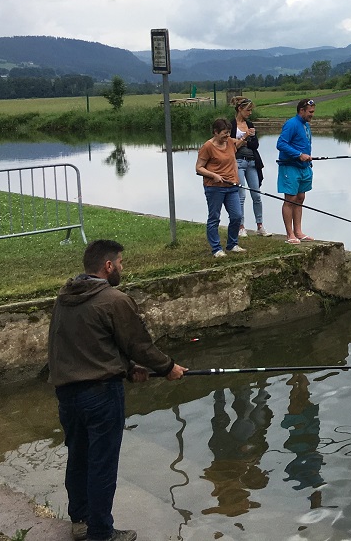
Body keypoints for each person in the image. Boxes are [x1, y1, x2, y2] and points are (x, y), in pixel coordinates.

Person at [48, 239, 187, 541]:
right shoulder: (114, 299)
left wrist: (126, 368)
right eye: (121, 262)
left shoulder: (64, 298)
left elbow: (81, 344)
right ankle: (101, 532)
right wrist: (168, 367)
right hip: (101, 395)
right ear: (108, 266)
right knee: (102, 463)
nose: (123, 267)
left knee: (78, 457)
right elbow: (139, 344)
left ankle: (80, 520)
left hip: (67, 394)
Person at [196, 117, 249, 258]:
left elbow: (235, 152)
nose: (227, 135)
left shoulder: (230, 142)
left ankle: (232, 244)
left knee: (237, 216)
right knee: (214, 217)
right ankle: (216, 248)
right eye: (224, 133)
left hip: (231, 186)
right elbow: (199, 168)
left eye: (229, 132)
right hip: (214, 187)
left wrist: (246, 136)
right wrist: (213, 175)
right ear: (215, 132)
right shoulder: (208, 147)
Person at [277, 98, 316, 244]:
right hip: (290, 166)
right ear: (301, 110)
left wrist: (308, 159)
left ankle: (298, 232)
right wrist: (299, 155)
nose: (312, 114)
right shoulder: (291, 124)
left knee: (300, 197)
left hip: (304, 167)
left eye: (313, 112)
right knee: (290, 199)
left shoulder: (306, 125)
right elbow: (281, 144)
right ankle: (290, 234)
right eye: (310, 112)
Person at [231, 97, 271, 238]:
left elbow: (255, 145)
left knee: (256, 195)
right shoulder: (231, 125)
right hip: (238, 162)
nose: (250, 113)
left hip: (252, 162)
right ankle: (241, 226)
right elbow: (231, 146)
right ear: (240, 109)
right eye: (248, 110)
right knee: (241, 195)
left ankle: (260, 225)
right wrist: (245, 137)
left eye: (251, 110)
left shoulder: (249, 124)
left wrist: (243, 141)